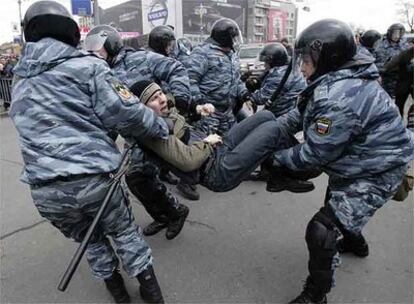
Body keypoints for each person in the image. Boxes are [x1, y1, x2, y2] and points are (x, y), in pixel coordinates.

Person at [10, 2, 169, 303]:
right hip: (94, 181)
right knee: (124, 233)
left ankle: (118, 294)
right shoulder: (88, 67)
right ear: (69, 32)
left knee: (90, 240)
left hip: (44, 191)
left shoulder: (19, 81)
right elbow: (128, 114)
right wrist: (161, 126)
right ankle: (151, 292)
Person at [271, 19, 414, 304]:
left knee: (322, 229)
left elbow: (313, 154)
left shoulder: (338, 96)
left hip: (378, 170)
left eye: (307, 61)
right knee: (338, 205)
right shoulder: (336, 77)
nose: (302, 68)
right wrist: (268, 129)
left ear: (327, 59)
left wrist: (274, 158)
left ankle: (315, 295)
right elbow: (298, 116)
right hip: (358, 159)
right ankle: (355, 242)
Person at [129, 79, 316, 195]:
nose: (161, 99)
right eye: (153, 98)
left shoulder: (164, 112)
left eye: (160, 92)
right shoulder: (153, 132)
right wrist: (207, 142)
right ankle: (297, 169)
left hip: (218, 149)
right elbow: (188, 161)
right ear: (142, 109)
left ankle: (275, 173)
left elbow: (179, 117)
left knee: (265, 116)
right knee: (273, 131)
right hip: (216, 171)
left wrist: (197, 110)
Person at [186, 18, 250, 136]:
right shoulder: (202, 53)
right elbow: (190, 81)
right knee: (206, 147)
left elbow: (236, 80)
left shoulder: (232, 55)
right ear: (225, 38)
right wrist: (200, 104)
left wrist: (245, 94)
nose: (235, 41)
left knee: (229, 145)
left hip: (228, 114)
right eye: (233, 37)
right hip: (208, 115)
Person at [374, 23, 409, 98]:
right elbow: (373, 64)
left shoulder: (404, 45)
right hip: (385, 82)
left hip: (401, 81)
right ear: (390, 33)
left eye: (399, 33)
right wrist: (387, 66)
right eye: (395, 33)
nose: (397, 36)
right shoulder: (379, 45)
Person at [382, 45, 414, 116]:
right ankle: (398, 124)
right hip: (403, 84)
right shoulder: (405, 54)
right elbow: (390, 65)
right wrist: (381, 71)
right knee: (398, 107)